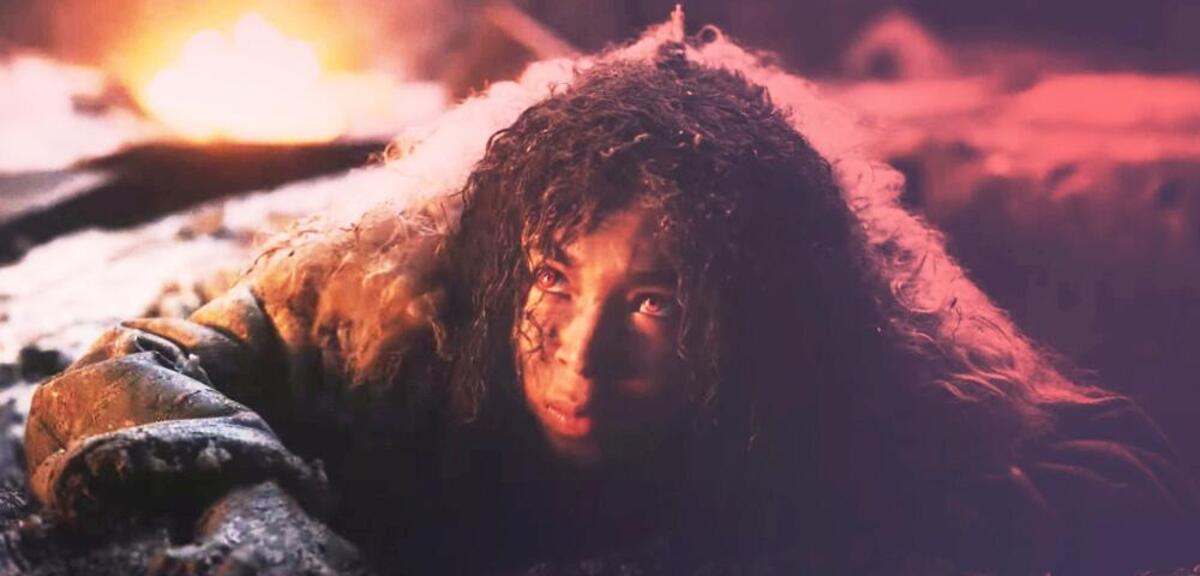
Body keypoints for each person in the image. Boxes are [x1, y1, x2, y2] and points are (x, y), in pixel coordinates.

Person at [20, 37, 1200, 575]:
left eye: (652, 302)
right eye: (553, 281)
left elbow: (1118, 475)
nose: (580, 356)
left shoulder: (846, 349)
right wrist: (253, 500)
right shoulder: (394, 304)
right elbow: (122, 371)